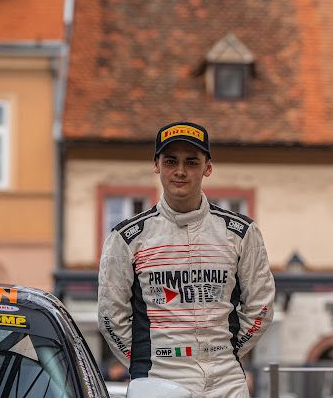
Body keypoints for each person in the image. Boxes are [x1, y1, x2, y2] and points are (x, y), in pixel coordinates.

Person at [98, 121, 275, 397]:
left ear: (208, 168)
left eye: (191, 162)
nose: (180, 171)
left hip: (226, 382)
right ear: (157, 165)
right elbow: (110, 315)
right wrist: (144, 360)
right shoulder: (127, 237)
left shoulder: (241, 232)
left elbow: (260, 306)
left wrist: (225, 352)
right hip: (158, 379)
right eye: (171, 161)